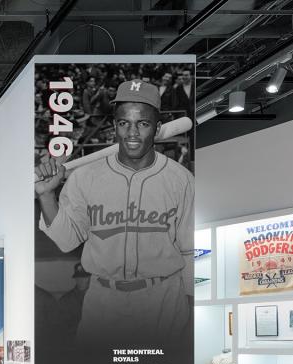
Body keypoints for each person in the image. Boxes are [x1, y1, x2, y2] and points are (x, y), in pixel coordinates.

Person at [35, 80, 194, 343]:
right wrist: (46, 195)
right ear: (114, 127)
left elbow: (190, 251)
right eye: (124, 123)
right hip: (103, 302)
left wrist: (193, 315)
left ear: (157, 128)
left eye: (142, 124)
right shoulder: (85, 177)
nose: (131, 133)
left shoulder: (180, 179)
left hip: (164, 300)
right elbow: (66, 240)